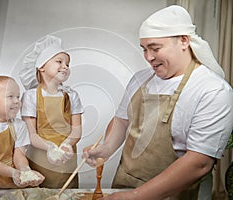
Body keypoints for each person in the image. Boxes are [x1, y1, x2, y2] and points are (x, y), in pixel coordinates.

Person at [83, 5, 233, 200]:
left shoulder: (212, 90)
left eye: (155, 48)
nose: (148, 57)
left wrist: (137, 196)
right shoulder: (139, 79)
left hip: (177, 195)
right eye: (144, 49)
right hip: (126, 187)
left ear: (184, 41)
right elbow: (122, 121)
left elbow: (199, 162)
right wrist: (107, 147)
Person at [19, 35, 84, 188]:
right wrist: (50, 148)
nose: (65, 66)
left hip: (67, 159)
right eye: (59, 61)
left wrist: (67, 145)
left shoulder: (72, 96)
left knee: (67, 193)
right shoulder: (31, 97)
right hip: (39, 157)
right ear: (41, 67)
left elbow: (77, 130)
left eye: (68, 63)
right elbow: (32, 134)